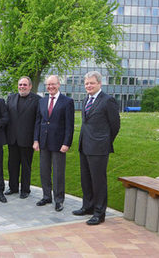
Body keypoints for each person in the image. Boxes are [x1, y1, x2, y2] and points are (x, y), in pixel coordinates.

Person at [73, 71, 120, 225]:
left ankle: (99, 213)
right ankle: (88, 206)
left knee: (98, 181)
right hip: (85, 145)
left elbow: (115, 125)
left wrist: (104, 141)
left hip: (99, 148)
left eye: (92, 83)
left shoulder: (108, 101)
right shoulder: (87, 98)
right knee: (86, 179)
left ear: (99, 83)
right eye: (86, 83)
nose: (89, 86)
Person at [33, 75, 74, 212]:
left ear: (59, 85)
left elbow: (69, 125)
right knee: (44, 171)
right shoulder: (42, 101)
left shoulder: (67, 101)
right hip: (43, 142)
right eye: (48, 85)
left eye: (53, 84)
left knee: (58, 173)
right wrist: (36, 140)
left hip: (59, 143)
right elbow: (38, 122)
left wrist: (66, 143)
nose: (50, 87)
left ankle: (58, 200)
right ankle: (46, 196)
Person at [5, 76, 41, 199]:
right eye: (20, 84)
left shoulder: (37, 100)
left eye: (25, 85)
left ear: (30, 86)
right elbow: (7, 118)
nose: (22, 87)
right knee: (12, 165)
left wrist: (36, 139)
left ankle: (25, 190)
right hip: (12, 139)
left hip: (27, 139)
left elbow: (38, 121)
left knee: (26, 166)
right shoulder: (11, 98)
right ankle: (13, 187)